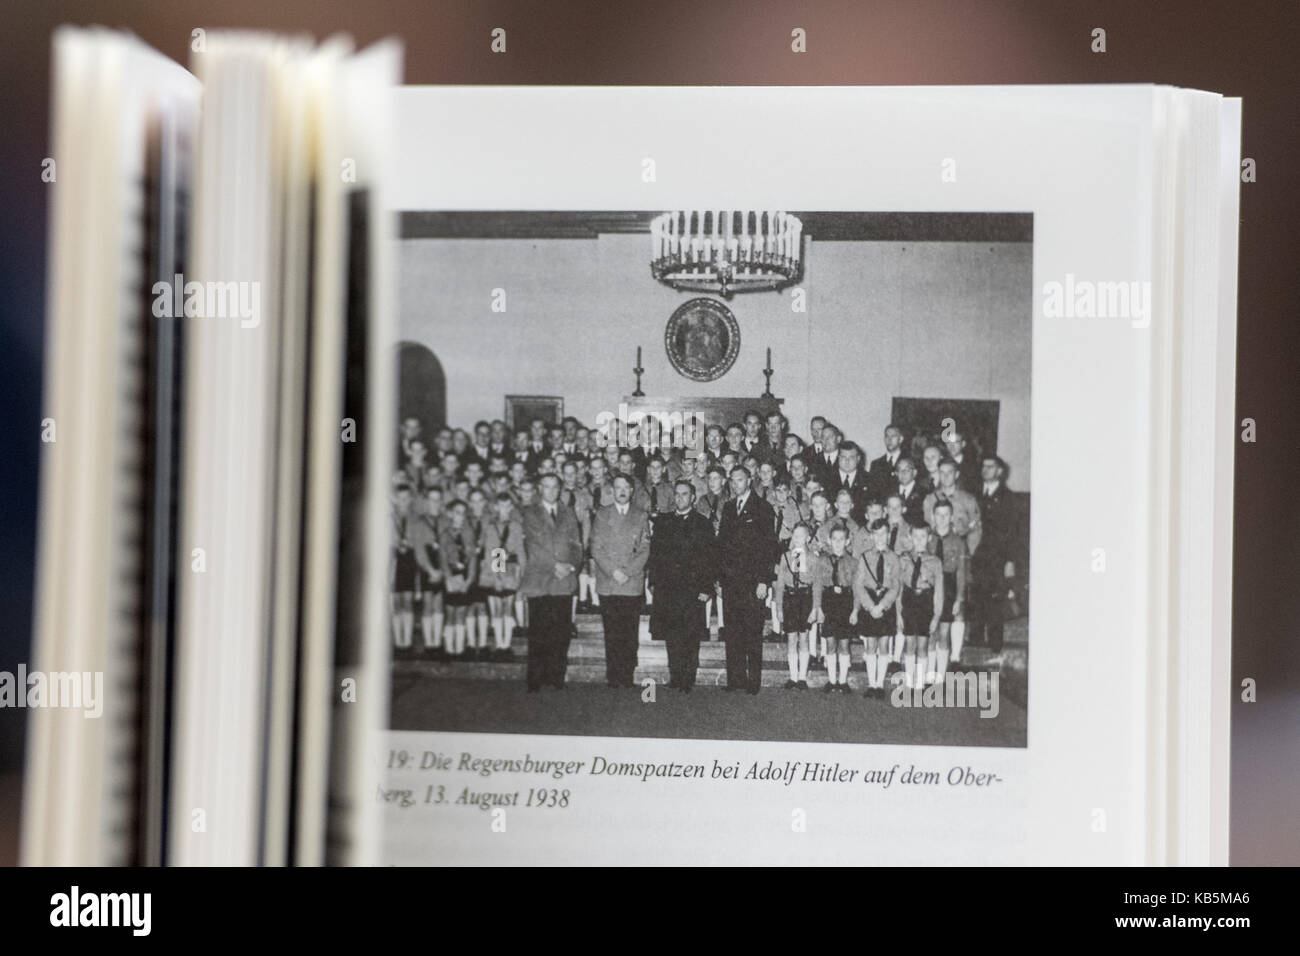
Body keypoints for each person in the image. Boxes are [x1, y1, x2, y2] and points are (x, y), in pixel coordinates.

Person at [647, 480, 716, 693]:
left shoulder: (703, 523)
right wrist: (653, 581)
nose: (680, 498)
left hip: (692, 589)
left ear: (693, 498)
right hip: (668, 588)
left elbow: (709, 558)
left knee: (690, 634)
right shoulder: (663, 522)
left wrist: (706, 587)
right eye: (677, 494)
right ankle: (675, 675)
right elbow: (655, 554)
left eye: (685, 494)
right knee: (672, 634)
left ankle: (688, 677)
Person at [519, 474, 584, 691]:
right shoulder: (529, 513)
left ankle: (556, 677)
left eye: (555, 487)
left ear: (560, 488)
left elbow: (577, 546)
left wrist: (571, 566)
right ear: (539, 489)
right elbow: (533, 547)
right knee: (539, 633)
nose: (551, 491)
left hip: (564, 581)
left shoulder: (568, 513)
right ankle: (536, 679)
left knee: (561, 632)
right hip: (540, 580)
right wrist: (555, 566)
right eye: (546, 487)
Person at [715, 466, 777, 694]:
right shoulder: (729, 507)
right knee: (732, 632)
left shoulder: (763, 508)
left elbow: (768, 548)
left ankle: (753, 682)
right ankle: (735, 679)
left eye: (739, 480)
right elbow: (721, 545)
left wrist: (764, 581)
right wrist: (720, 579)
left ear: (750, 480)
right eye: (732, 480)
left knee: (752, 632)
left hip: (753, 583)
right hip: (731, 582)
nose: (735, 484)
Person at [589, 474, 652, 689]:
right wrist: (614, 571)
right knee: (612, 632)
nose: (622, 491)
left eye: (626, 487)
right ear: (612, 491)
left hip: (631, 583)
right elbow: (596, 548)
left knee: (629, 633)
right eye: (618, 487)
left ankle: (626, 674)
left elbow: (645, 549)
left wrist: (628, 571)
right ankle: (613, 675)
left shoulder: (641, 515)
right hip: (609, 583)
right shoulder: (602, 514)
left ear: (632, 491)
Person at [969, 454, 1019, 655]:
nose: (985, 470)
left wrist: (1010, 560)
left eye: (990, 467)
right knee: (977, 596)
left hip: (997, 557)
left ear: (1000, 471)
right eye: (983, 466)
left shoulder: (1008, 498)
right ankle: (976, 637)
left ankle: (995, 643)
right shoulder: (975, 495)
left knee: (995, 600)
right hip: (977, 555)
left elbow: (1013, 533)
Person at [851, 518, 901, 698]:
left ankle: (880, 685)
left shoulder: (894, 558)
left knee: (884, 644)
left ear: (888, 535)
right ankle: (872, 684)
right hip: (870, 601)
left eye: (883, 534)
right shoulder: (864, 557)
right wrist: (870, 606)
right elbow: (858, 584)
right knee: (871, 644)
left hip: (886, 603)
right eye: (876, 534)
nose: (880, 537)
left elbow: (896, 586)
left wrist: (883, 605)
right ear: (871, 536)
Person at [478, 493, 525, 661]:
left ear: (511, 507)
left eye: (507, 506)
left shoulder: (516, 526)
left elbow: (520, 550)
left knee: (507, 608)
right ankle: (499, 645)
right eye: (501, 506)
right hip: (494, 570)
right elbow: (490, 551)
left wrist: (523, 571)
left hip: (511, 570)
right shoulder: (490, 526)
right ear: (495, 507)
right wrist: (496, 576)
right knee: (496, 609)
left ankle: (506, 645)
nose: (504, 509)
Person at [927, 500, 969, 681]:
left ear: (951, 517)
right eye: (938, 514)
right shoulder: (927, 539)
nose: (942, 519)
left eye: (946, 515)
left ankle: (941, 678)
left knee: (944, 633)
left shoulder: (959, 543)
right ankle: (929, 675)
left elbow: (961, 572)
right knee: (930, 633)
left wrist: (959, 598)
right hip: (929, 587)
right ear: (932, 516)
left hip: (949, 587)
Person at [899, 523, 944, 691]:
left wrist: (936, 616)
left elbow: (939, 591)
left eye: (923, 537)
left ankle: (920, 684)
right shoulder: (903, 558)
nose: (919, 540)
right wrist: (898, 613)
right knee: (910, 642)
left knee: (923, 644)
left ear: (929, 538)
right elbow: (899, 587)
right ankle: (909, 683)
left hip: (925, 602)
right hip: (909, 601)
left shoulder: (935, 561)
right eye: (916, 537)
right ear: (910, 538)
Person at [813, 524, 856, 693]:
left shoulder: (853, 562)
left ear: (847, 541)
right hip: (829, 602)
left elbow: (857, 589)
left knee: (844, 644)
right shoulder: (822, 560)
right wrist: (818, 608)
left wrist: (855, 610)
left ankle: (843, 681)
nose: (838, 543)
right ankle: (831, 680)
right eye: (835, 539)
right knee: (830, 643)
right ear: (829, 540)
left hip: (846, 603)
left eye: (842, 539)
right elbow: (817, 585)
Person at [773, 523, 817, 689]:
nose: (796, 539)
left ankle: (802, 678)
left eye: (800, 536)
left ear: (808, 538)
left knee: (804, 638)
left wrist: (815, 607)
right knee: (791, 638)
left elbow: (817, 585)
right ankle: (793, 676)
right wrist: (778, 607)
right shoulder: (785, 556)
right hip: (790, 599)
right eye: (794, 536)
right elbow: (780, 584)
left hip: (805, 599)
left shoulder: (813, 558)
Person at [439, 499, 479, 658]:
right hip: (451, 576)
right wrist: (449, 578)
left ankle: (459, 648)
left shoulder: (469, 532)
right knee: (450, 613)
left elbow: (473, 558)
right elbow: (442, 558)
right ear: (450, 514)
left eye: (463, 513)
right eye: (457, 512)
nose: (460, 516)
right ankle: (449, 648)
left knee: (462, 612)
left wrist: (469, 580)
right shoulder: (445, 533)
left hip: (465, 577)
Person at [410, 486, 446, 657]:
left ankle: (437, 642)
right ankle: (429, 643)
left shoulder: (445, 520)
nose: (435, 503)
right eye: (432, 499)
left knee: (439, 605)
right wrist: (431, 570)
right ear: (426, 502)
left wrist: (443, 570)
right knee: (428, 605)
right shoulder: (420, 522)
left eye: (438, 499)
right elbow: (419, 550)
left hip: (443, 566)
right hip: (427, 567)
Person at [923, 458, 982, 554]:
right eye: (942, 472)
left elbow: (975, 530)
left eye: (950, 472)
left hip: (959, 551)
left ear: (957, 474)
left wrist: (967, 553)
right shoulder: (930, 500)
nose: (946, 476)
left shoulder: (967, 500)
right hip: (934, 551)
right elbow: (927, 529)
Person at [390, 484, 418, 652]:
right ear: (394, 499)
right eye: (400, 498)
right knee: (396, 602)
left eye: (407, 498)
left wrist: (409, 543)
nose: (404, 501)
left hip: (410, 560)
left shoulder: (416, 518)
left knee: (407, 601)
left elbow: (420, 540)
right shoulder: (388, 518)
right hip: (393, 561)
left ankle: (406, 641)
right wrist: (395, 545)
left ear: (411, 499)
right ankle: (397, 641)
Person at [867, 424, 906, 499]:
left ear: (900, 439)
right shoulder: (876, 464)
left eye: (893, 436)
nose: (889, 439)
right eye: (887, 436)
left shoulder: (909, 462)